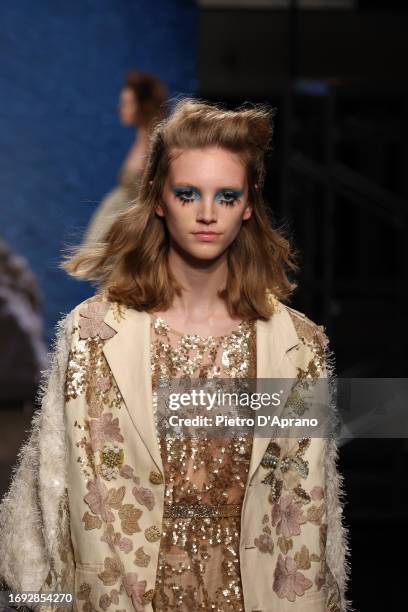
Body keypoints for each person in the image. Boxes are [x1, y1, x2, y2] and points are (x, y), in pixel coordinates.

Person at [0, 98, 351, 612]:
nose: (207, 213)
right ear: (158, 198)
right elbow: (49, 492)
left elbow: (306, 503)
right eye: (188, 194)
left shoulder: (297, 348)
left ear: (249, 204)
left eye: (226, 196)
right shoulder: (93, 335)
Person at [81, 70, 167, 246]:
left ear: (143, 106)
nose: (120, 108)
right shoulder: (142, 138)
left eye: (127, 103)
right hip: (114, 221)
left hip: (127, 234)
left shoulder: (154, 147)